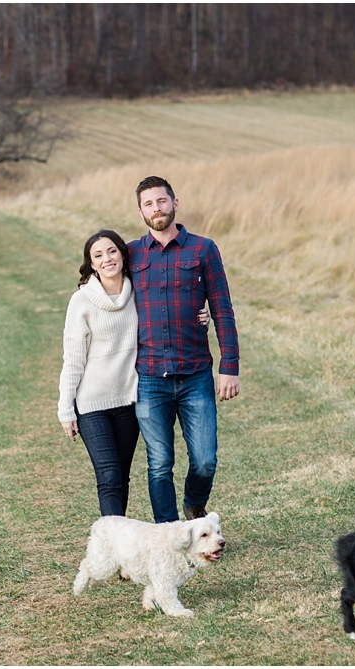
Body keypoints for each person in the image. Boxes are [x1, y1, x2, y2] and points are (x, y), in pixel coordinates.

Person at [58, 229, 209, 517]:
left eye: (112, 251)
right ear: (91, 264)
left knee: (122, 477)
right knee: (110, 476)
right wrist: (66, 409)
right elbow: (73, 360)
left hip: (130, 400)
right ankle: (110, 544)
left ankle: (116, 539)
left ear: (123, 255)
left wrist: (201, 315)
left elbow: (169, 312)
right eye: (98, 255)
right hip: (92, 405)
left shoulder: (138, 292)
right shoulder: (81, 302)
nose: (107, 259)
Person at [128, 176, 240, 524]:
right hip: (149, 376)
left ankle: (194, 505)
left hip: (195, 374)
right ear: (141, 211)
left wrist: (229, 366)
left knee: (205, 459)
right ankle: (168, 534)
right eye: (148, 204)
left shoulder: (203, 249)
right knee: (159, 462)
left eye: (161, 201)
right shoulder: (131, 253)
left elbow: (221, 307)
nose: (156, 209)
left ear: (175, 204)